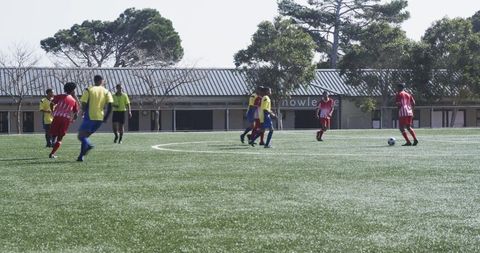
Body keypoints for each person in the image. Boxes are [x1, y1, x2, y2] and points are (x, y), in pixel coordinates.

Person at [77, 75, 113, 162]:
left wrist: (83, 111)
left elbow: (84, 103)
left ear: (94, 80)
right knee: (85, 136)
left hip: (90, 117)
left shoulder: (89, 90)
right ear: (102, 81)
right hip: (99, 118)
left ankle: (89, 145)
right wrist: (106, 117)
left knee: (81, 136)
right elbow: (110, 105)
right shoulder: (106, 91)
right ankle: (81, 157)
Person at [48, 82, 79, 159]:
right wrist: (73, 120)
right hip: (65, 119)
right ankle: (52, 153)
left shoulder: (60, 96)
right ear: (72, 90)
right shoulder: (74, 101)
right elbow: (76, 113)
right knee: (60, 137)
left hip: (57, 116)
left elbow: (51, 103)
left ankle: (53, 140)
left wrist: (53, 111)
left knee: (53, 133)